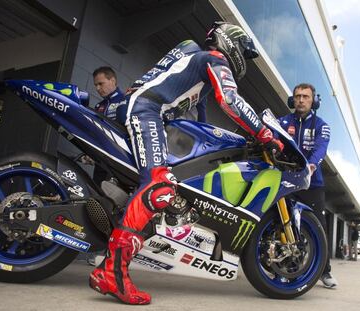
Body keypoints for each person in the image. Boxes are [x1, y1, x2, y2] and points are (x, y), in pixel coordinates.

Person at [88, 21, 284, 305]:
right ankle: (112, 272)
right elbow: (229, 100)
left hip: (146, 111)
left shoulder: (193, 60)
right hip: (146, 111)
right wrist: (264, 134)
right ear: (231, 43)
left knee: (161, 184)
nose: (243, 57)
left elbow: (199, 112)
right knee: (160, 185)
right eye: (242, 49)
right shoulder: (215, 59)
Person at [278, 83, 337, 288]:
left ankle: (325, 271)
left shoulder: (322, 125)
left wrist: (310, 166)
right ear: (292, 100)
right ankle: (289, 271)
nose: (301, 100)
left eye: (305, 96)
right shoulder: (282, 122)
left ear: (314, 101)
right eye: (297, 96)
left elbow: (321, 149)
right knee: (286, 226)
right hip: (287, 182)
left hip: (313, 185)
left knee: (319, 227)